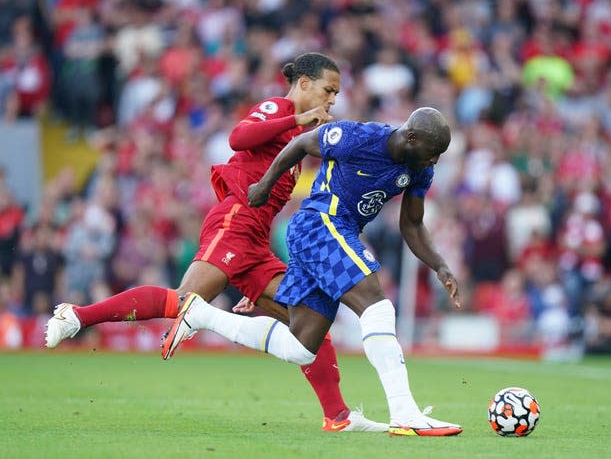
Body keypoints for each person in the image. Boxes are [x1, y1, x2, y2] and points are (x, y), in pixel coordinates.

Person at [45, 52, 386, 433]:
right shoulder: (278, 107)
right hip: (235, 220)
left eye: (336, 94)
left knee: (308, 316)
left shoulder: (303, 136)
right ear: (304, 84)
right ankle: (77, 316)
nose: (331, 100)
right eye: (328, 90)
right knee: (184, 300)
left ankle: (338, 416)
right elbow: (237, 137)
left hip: (255, 241)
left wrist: (251, 278)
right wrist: (298, 118)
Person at [163, 107, 464, 436]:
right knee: (377, 306)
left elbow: (412, 223)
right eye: (432, 153)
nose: (434, 161)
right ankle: (404, 411)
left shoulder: (419, 168)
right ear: (411, 137)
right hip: (320, 223)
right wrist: (265, 185)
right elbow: (301, 144)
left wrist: (439, 263)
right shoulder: (359, 137)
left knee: (301, 346)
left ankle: (202, 315)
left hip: (329, 234)